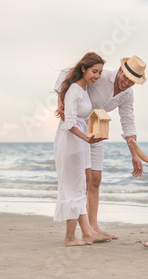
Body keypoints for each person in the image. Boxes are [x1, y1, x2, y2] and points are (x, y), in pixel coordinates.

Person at [55, 54, 147, 239]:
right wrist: (60, 100)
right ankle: (85, 230)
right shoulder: (102, 76)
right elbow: (66, 73)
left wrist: (135, 154)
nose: (127, 84)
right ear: (120, 70)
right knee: (84, 179)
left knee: (96, 180)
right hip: (79, 130)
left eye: (132, 82)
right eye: (126, 78)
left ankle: (93, 226)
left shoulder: (127, 94)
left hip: (97, 132)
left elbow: (128, 123)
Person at [53, 52, 111, 247]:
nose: (97, 75)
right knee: (73, 186)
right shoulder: (76, 90)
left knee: (78, 185)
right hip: (70, 142)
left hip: (78, 143)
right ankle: (70, 238)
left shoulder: (84, 89)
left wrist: (90, 136)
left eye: (100, 72)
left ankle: (84, 234)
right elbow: (69, 123)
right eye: (94, 71)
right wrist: (86, 138)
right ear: (84, 69)